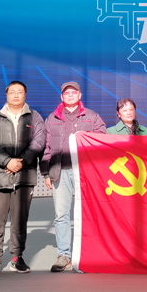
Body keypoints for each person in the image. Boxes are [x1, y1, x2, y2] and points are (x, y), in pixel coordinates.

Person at [0, 81, 46, 276]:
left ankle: (17, 258)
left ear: (25, 95)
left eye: (20, 92)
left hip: (24, 178)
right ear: (6, 94)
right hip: (0, 177)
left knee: (19, 221)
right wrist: (7, 161)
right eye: (12, 92)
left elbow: (39, 142)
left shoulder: (35, 117)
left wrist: (21, 162)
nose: (16, 95)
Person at [41, 81, 106, 272]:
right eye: (66, 93)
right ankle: (64, 255)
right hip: (59, 172)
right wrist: (46, 172)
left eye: (73, 92)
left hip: (85, 173)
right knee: (61, 215)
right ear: (61, 97)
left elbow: (102, 141)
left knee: (87, 213)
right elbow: (45, 148)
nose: (70, 95)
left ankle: (88, 253)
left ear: (79, 95)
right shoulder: (51, 119)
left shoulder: (92, 117)